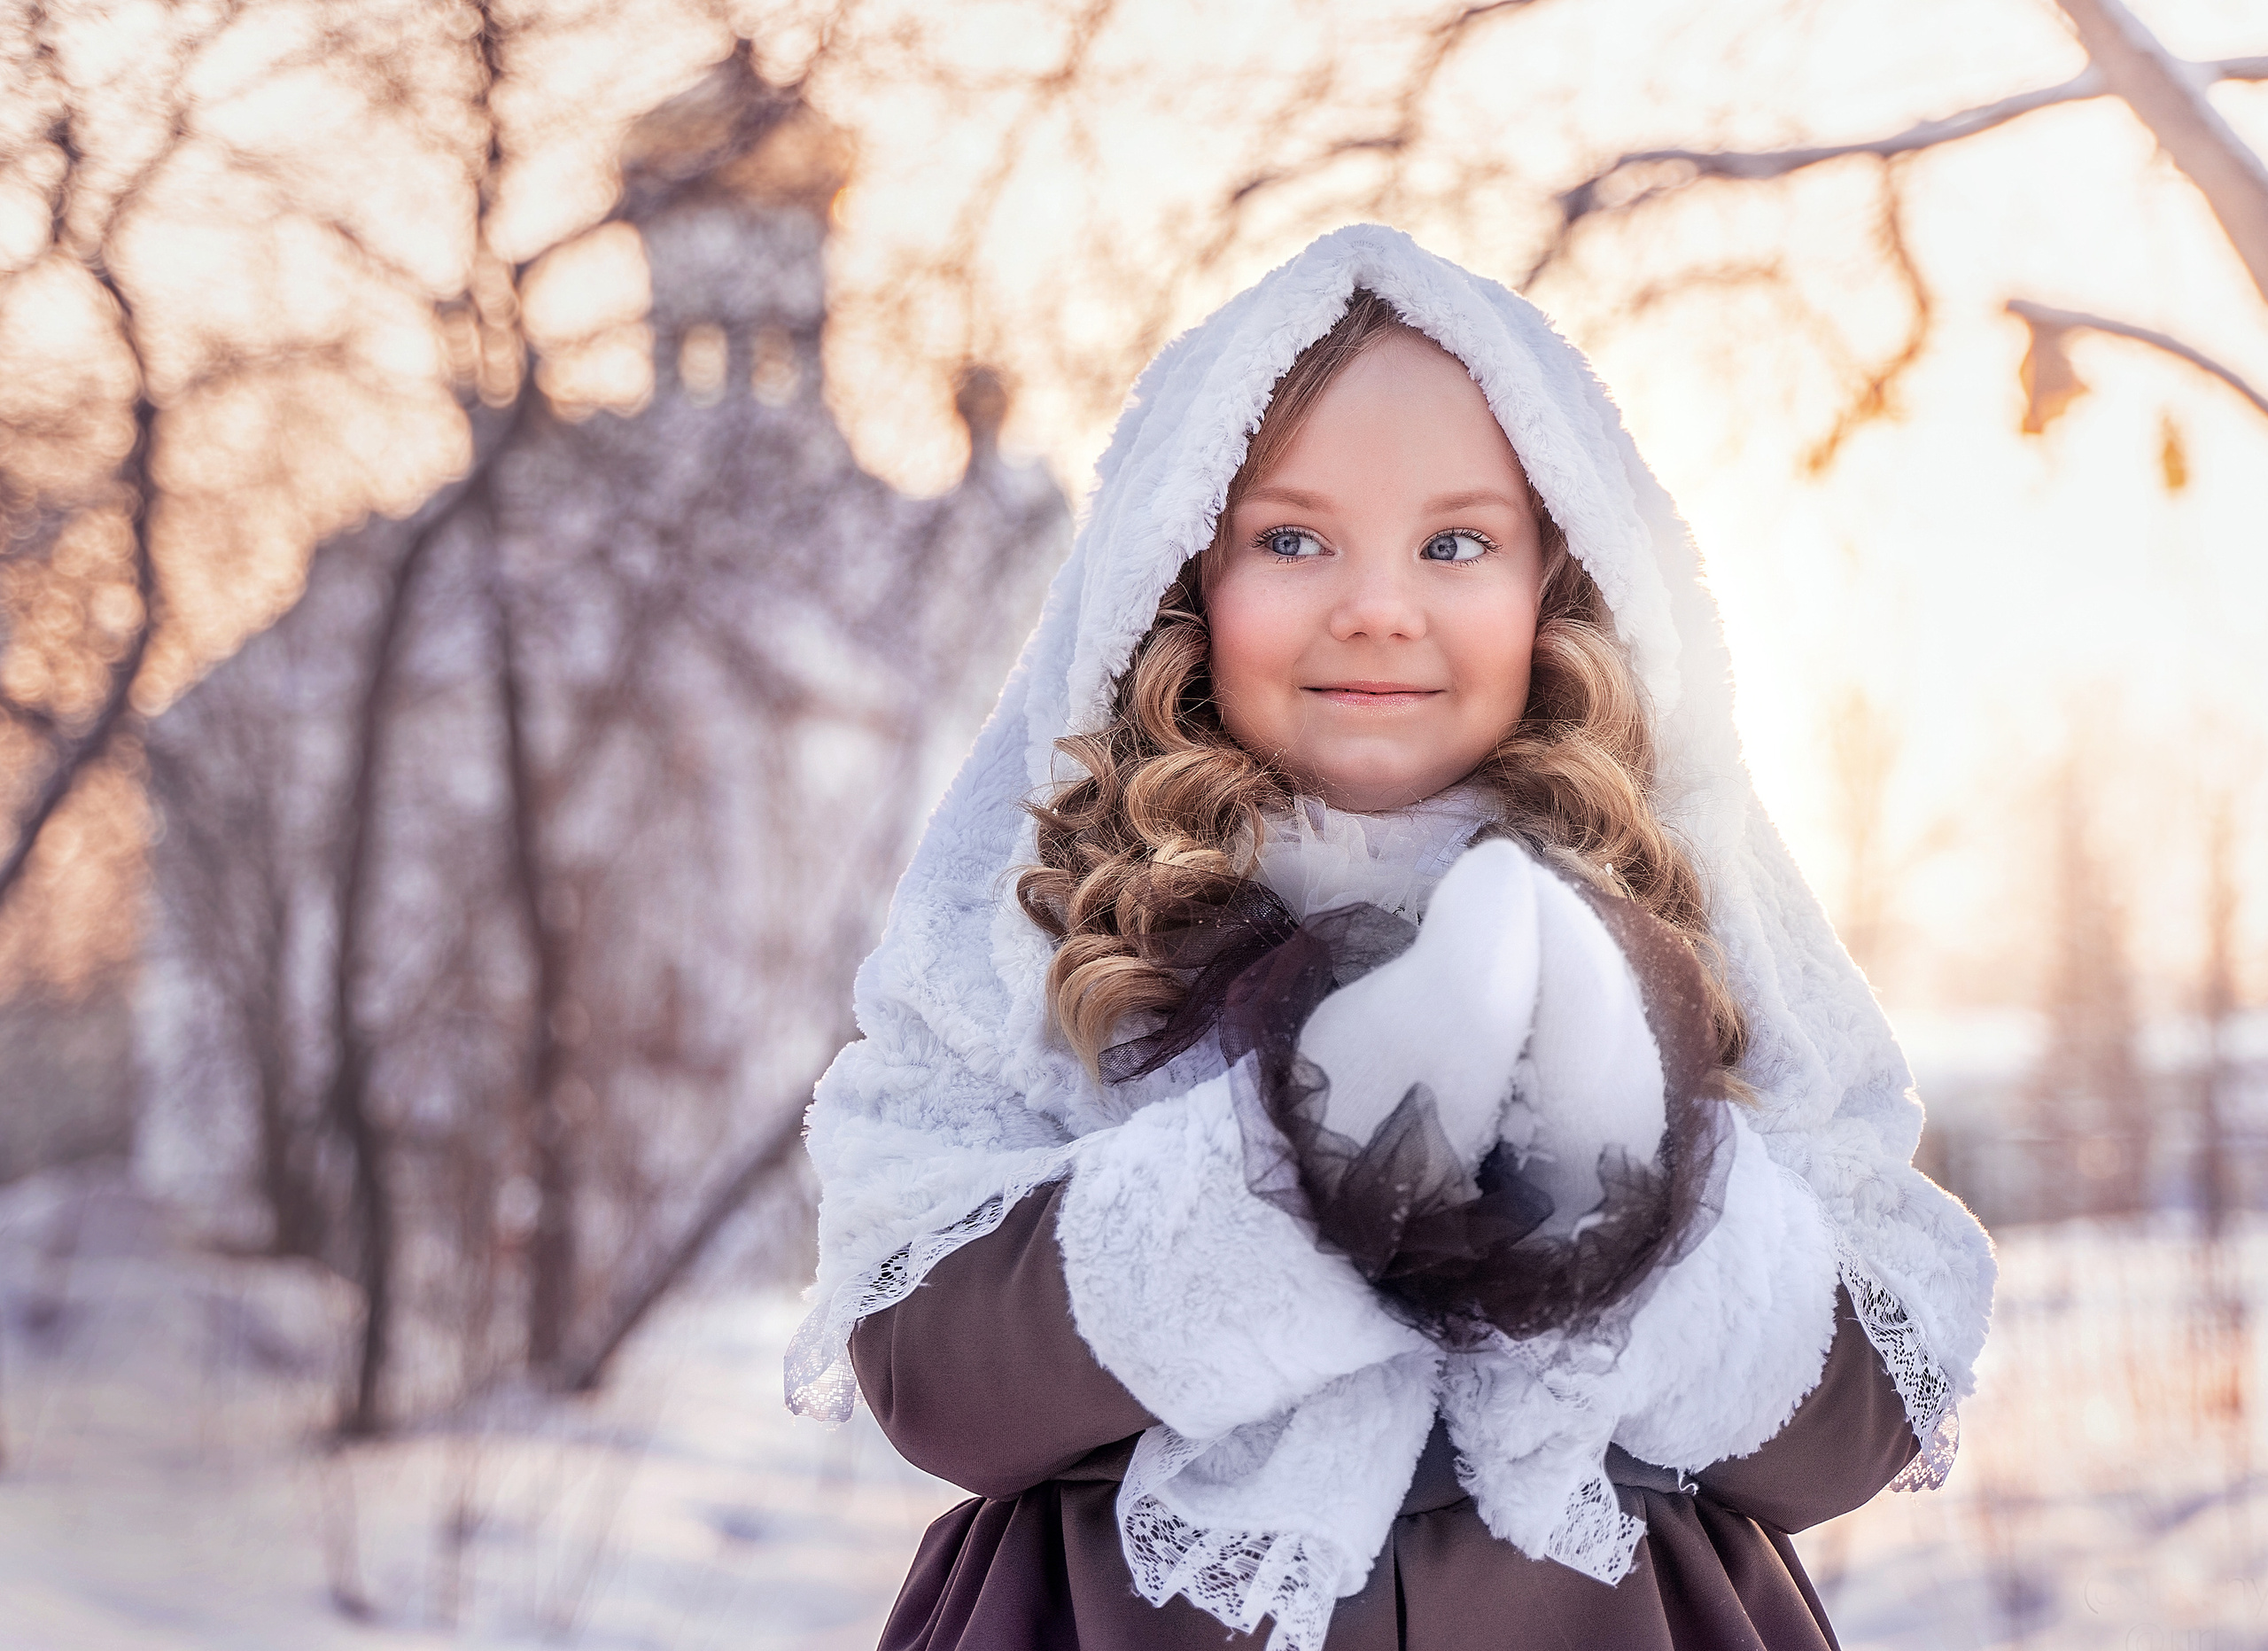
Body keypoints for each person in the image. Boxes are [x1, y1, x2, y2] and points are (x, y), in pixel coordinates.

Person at [786, 226, 1996, 1650]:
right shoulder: (1051, 924)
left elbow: (1853, 1413)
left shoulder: (1692, 923)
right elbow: (937, 1376)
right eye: (1292, 540)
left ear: (1560, 579)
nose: (1376, 605)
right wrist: (1303, 1165)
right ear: (1184, 576)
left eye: (1456, 542)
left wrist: (1626, 1208)